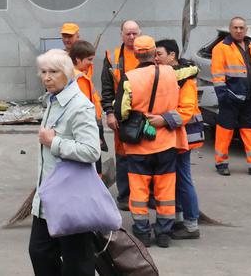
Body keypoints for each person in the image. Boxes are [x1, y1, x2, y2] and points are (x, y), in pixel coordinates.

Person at [118, 36, 194, 248]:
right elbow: (191, 72)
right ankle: (163, 233)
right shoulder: (172, 73)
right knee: (165, 189)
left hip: (138, 145)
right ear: (154, 53)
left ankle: (142, 232)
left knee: (139, 190)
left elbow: (122, 112)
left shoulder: (129, 78)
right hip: (166, 143)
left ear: (135, 54)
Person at [29, 49, 100, 276]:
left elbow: (92, 151)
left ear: (67, 73)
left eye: (53, 72)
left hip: (71, 199)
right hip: (48, 197)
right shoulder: (53, 100)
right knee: (40, 252)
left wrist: (54, 142)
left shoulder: (79, 106)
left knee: (77, 263)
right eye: (43, 72)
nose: (47, 77)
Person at [210, 17, 251, 177]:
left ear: (246, 30)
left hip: (249, 97)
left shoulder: (250, 46)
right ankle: (221, 163)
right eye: (235, 27)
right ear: (230, 29)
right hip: (230, 98)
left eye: (241, 28)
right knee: (225, 132)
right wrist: (224, 97)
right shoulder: (221, 48)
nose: (238, 30)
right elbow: (218, 75)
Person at [154, 39, 202, 240]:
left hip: (184, 135)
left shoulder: (185, 79)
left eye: (159, 54)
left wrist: (163, 120)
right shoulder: (171, 75)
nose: (156, 58)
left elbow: (187, 111)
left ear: (172, 55)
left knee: (182, 178)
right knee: (175, 178)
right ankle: (178, 219)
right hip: (174, 134)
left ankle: (191, 225)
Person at [99, 19, 141, 208]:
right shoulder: (113, 57)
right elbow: (107, 88)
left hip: (146, 114)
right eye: (128, 33)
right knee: (123, 156)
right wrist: (109, 113)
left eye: (134, 33)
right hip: (121, 115)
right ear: (121, 35)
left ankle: (144, 194)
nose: (131, 37)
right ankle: (125, 196)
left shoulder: (150, 52)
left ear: (140, 33)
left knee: (145, 156)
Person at [68, 39, 107, 160]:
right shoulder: (80, 79)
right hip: (87, 126)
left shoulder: (72, 74)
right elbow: (84, 108)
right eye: (89, 59)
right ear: (77, 59)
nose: (91, 63)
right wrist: (93, 134)